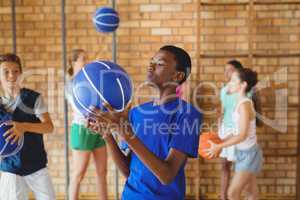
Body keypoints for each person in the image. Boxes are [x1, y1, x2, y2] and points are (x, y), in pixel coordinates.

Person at [87, 45, 202, 200]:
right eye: (151, 61)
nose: (151, 66)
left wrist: (126, 133)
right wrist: (107, 135)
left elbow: (167, 175)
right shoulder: (137, 112)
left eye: (160, 63)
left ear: (177, 76)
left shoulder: (187, 114)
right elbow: (128, 170)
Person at [0, 53, 55, 200]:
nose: (11, 75)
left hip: (36, 166)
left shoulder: (33, 98)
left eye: (15, 71)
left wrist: (23, 127)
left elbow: (49, 127)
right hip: (11, 168)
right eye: (6, 71)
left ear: (21, 74)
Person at [207, 68, 263, 200]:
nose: (229, 83)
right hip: (243, 153)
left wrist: (220, 146)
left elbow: (242, 135)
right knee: (251, 192)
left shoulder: (244, 105)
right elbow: (237, 132)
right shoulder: (240, 103)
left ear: (243, 85)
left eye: (233, 80)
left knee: (232, 193)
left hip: (250, 155)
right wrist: (220, 140)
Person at [66, 49, 107, 200]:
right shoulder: (71, 84)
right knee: (79, 174)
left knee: (102, 172)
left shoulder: (91, 81)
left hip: (98, 128)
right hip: (82, 129)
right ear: (73, 62)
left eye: (88, 58)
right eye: (83, 59)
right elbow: (83, 107)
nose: (87, 62)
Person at [218, 60, 243, 200]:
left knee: (240, 168)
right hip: (225, 131)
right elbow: (223, 111)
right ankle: (223, 197)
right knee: (224, 166)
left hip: (239, 131)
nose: (227, 73)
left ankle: (236, 196)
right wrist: (219, 129)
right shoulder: (223, 90)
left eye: (230, 70)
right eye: (225, 70)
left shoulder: (244, 89)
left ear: (238, 72)